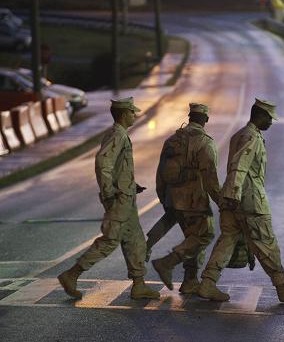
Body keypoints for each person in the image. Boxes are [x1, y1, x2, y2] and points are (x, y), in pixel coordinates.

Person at [197, 99, 284, 303]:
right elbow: (240, 166)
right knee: (266, 242)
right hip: (249, 201)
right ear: (259, 115)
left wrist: (229, 198)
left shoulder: (239, 134)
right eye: (269, 118)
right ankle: (283, 287)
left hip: (234, 198)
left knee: (227, 240)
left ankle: (207, 283)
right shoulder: (252, 137)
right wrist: (233, 195)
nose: (271, 123)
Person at [57, 97, 159, 300]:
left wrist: (130, 185)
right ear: (123, 114)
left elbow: (117, 167)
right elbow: (103, 162)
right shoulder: (117, 135)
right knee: (111, 240)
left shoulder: (119, 134)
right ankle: (72, 275)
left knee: (135, 239)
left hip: (125, 196)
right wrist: (109, 192)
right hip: (118, 199)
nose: (134, 115)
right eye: (132, 112)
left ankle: (139, 284)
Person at [152, 103, 221, 294]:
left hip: (173, 200)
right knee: (203, 236)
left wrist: (165, 200)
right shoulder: (205, 142)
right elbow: (210, 179)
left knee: (191, 239)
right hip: (194, 202)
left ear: (190, 117)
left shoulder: (172, 140)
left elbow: (160, 175)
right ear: (205, 120)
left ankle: (190, 281)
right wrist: (222, 201)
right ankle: (167, 263)